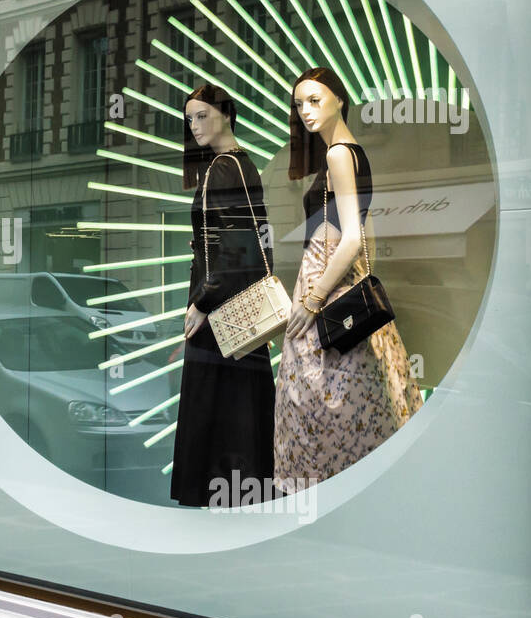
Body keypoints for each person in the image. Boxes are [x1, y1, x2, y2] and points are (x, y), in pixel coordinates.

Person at [273, 66, 423, 491]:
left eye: (315, 100)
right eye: (299, 103)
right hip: (341, 280)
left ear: (339, 98)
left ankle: (323, 500)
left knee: (313, 401)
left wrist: (313, 298)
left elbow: (354, 236)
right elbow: (366, 229)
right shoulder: (352, 152)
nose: (305, 110)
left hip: (326, 280)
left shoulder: (339, 153)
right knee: (359, 401)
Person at [169, 83, 275, 507]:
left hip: (218, 313)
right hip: (243, 307)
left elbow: (231, 247)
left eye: (202, 115)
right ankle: (248, 498)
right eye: (190, 119)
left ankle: (214, 502)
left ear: (226, 113)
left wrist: (201, 301)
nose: (195, 126)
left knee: (212, 408)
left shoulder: (219, 169)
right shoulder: (246, 165)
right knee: (243, 408)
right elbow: (257, 241)